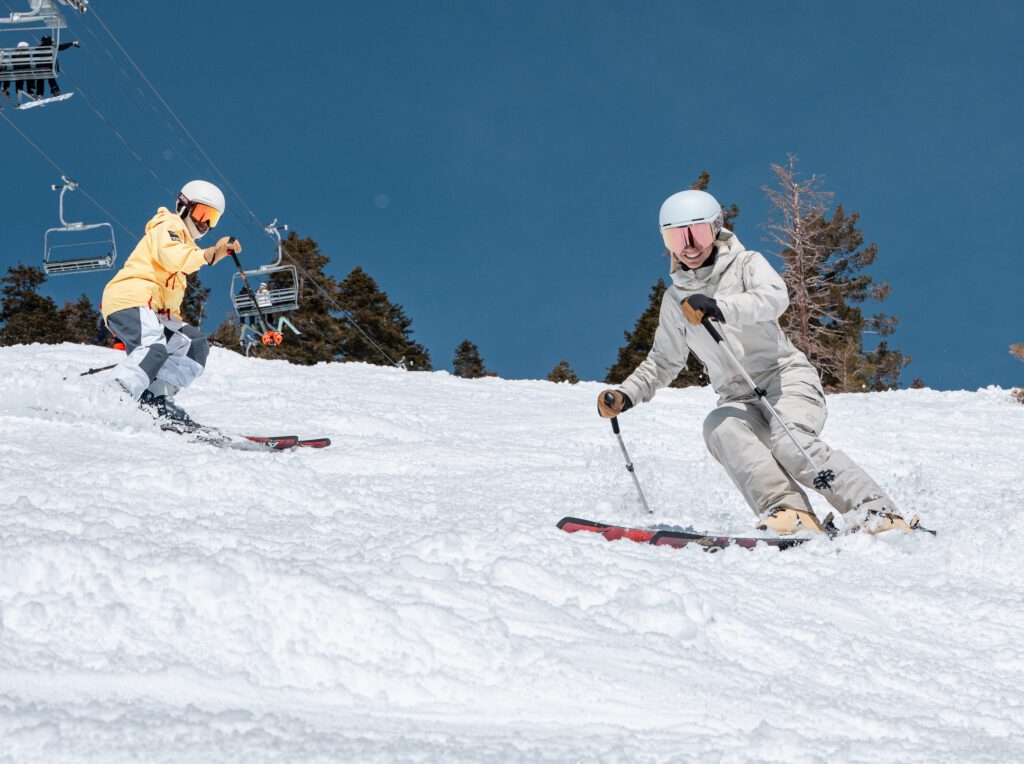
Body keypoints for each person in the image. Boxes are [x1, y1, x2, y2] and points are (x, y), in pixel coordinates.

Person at [598, 189, 920, 536]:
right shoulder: (675, 300)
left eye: (698, 234)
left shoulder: (746, 263)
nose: (689, 246)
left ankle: (877, 512)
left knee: (791, 443)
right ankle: (792, 514)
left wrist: (720, 307)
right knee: (719, 426)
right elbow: (663, 360)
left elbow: (774, 298)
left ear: (716, 229)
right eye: (677, 237)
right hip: (738, 398)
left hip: (786, 379)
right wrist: (626, 394)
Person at [100, 180, 242, 429]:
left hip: (151, 309)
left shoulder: (186, 247)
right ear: (183, 206)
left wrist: (178, 333)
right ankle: (113, 398)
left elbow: (170, 304)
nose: (205, 224)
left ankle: (155, 397)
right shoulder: (168, 226)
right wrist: (211, 254)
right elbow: (173, 256)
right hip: (129, 297)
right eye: (201, 213)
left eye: (213, 219)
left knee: (194, 345)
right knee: (153, 346)